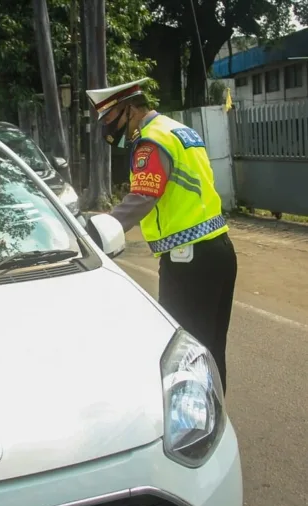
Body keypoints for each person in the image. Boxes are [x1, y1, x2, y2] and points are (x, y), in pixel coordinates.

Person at [85, 78, 238, 394]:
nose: (108, 130)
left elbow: (143, 195)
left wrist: (103, 230)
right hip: (219, 250)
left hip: (189, 260)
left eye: (110, 120)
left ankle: (196, 429)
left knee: (185, 352)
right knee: (210, 347)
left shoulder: (150, 141)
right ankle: (216, 417)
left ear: (129, 110)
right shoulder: (178, 130)